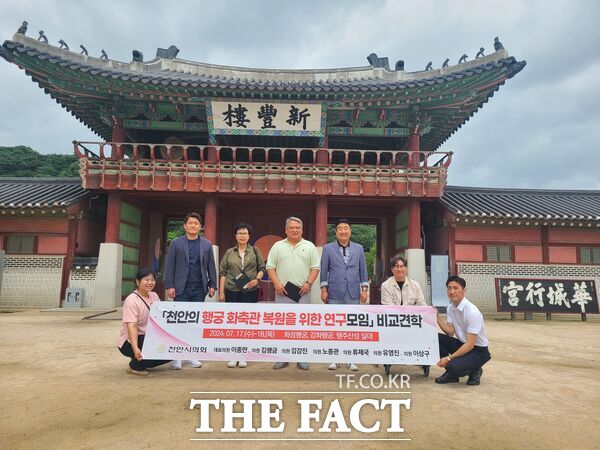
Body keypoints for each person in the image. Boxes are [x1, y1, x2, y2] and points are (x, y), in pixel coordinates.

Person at [266, 216, 320, 370]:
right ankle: (282, 357)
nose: (295, 230)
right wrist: (276, 283)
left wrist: (308, 284)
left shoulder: (309, 246)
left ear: (302, 230)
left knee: (301, 327)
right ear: (286, 230)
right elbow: (270, 266)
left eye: (297, 228)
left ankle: (301, 357)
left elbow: (315, 267)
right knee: (282, 326)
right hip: (282, 292)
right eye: (291, 228)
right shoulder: (277, 246)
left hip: (302, 292)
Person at [165, 212, 217, 369]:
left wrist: (212, 285)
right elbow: (170, 266)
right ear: (185, 226)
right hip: (181, 288)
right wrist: (170, 285)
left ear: (200, 227)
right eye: (190, 223)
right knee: (180, 322)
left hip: (199, 288)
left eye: (196, 223)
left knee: (194, 323)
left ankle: (191, 355)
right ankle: (177, 356)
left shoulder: (206, 244)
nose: (193, 225)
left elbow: (211, 266)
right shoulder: (176, 243)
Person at [320, 219, 369, 371]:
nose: (343, 231)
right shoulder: (328, 248)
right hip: (335, 292)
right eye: (340, 228)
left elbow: (363, 270)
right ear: (335, 232)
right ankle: (334, 358)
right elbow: (324, 270)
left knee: (351, 327)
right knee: (334, 326)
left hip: (353, 292)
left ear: (350, 231)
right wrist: (323, 288)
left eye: (346, 228)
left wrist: (364, 289)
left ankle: (351, 358)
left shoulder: (359, 248)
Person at [218, 222, 266, 368]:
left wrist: (256, 280)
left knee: (247, 323)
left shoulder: (255, 251)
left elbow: (262, 268)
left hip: (250, 292)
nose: (242, 236)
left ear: (249, 235)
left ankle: (244, 354)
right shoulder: (229, 252)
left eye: (245, 233)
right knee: (233, 324)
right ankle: (233, 354)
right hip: (232, 290)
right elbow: (222, 273)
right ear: (235, 235)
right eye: (240, 233)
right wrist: (221, 292)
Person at [435, 275, 491, 386]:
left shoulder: (472, 312)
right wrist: (437, 317)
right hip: (462, 344)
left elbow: (470, 344)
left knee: (452, 365)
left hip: (478, 351)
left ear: (464, 290)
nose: (452, 291)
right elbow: (450, 332)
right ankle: (453, 374)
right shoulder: (451, 307)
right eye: (449, 288)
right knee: (435, 338)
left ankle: (475, 370)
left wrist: (448, 358)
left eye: (456, 288)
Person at [380, 254, 430, 377]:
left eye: (402, 266)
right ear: (392, 269)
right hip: (393, 324)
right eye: (396, 266)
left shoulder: (415, 285)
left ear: (406, 268)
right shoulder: (386, 285)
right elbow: (389, 308)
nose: (400, 269)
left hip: (412, 323)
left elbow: (421, 305)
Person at [118, 268, 168, 376]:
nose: (150, 283)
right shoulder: (131, 300)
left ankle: (141, 360)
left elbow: (161, 316)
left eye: (152, 280)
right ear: (137, 282)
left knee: (170, 351)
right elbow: (132, 326)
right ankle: (135, 365)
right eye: (146, 279)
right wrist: (135, 348)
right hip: (130, 341)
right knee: (154, 350)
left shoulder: (154, 295)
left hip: (149, 336)